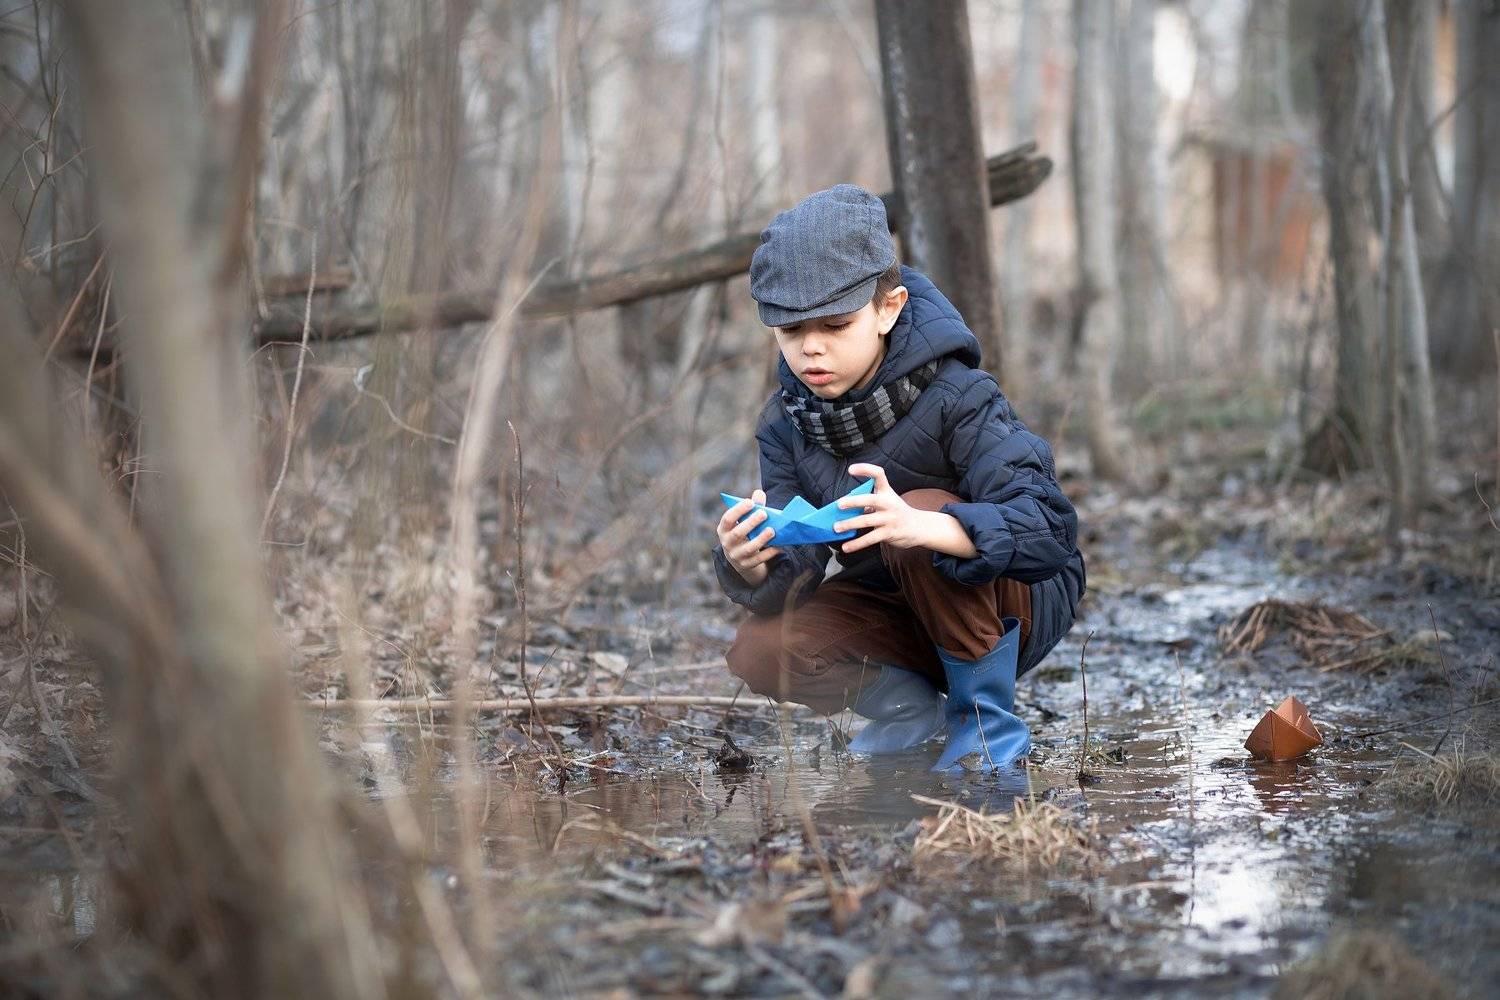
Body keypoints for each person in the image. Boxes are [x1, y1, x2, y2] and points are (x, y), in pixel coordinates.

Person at [711, 183, 1086, 770]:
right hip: (895, 608)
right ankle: (911, 712)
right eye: (790, 332)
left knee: (922, 511)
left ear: (888, 308)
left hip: (1013, 602)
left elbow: (1051, 529)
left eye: (836, 326)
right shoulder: (786, 423)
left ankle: (986, 729)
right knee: (761, 649)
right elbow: (799, 566)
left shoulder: (960, 394)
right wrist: (753, 561)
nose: (811, 350)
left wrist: (926, 527)